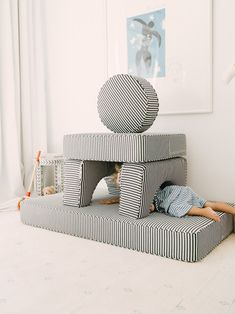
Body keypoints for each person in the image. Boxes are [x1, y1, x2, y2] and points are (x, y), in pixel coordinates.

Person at [99, 165, 235, 222]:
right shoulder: (150, 185)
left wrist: (148, 208)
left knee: (175, 209)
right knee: (211, 203)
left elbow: (150, 208)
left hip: (171, 197)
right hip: (182, 190)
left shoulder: (147, 194)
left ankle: (204, 212)